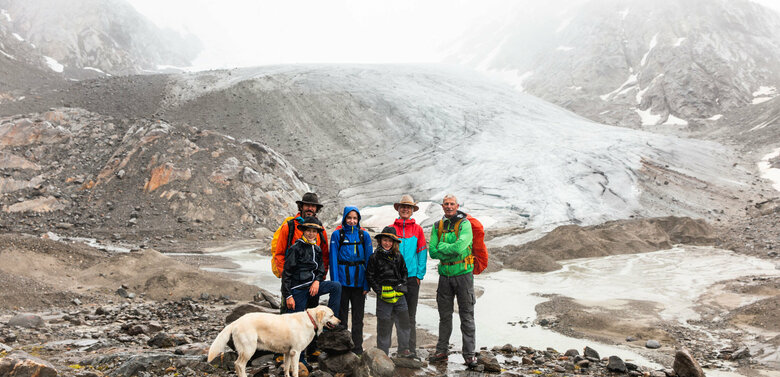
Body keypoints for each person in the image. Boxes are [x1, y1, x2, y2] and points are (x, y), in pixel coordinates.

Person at [282, 217, 343, 367]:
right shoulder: (295, 248)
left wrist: (317, 280)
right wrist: (288, 295)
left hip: (312, 287)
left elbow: (320, 269)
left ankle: (329, 323)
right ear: (303, 231)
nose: (311, 233)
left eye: (314, 231)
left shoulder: (316, 248)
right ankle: (300, 359)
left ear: (317, 233)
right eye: (308, 230)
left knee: (336, 286)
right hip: (297, 289)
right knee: (300, 326)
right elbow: (287, 274)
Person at [428, 194, 477, 368]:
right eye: (446, 204)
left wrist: (443, 247)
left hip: (463, 275)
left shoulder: (465, 224)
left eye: (452, 204)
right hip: (445, 277)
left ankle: (469, 355)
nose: (449, 206)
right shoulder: (437, 226)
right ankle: (442, 351)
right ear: (442, 206)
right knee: (444, 316)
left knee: (467, 316)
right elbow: (432, 252)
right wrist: (447, 249)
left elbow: (460, 248)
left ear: (457, 206)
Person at [329, 206, 373, 355]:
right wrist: (335, 284)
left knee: (358, 318)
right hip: (342, 283)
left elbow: (369, 261)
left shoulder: (364, 236)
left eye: (355, 218)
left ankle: (357, 349)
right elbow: (333, 260)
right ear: (344, 219)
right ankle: (342, 347)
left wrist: (367, 284)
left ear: (358, 219)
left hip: (360, 284)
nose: (352, 221)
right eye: (349, 218)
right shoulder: (337, 235)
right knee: (341, 317)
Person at [366, 227, 413, 357]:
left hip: (399, 296)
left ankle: (404, 349)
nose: (387, 243)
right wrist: (379, 290)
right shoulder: (374, 257)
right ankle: (383, 353)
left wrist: (401, 285)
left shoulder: (398, 256)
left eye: (390, 241)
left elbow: (404, 272)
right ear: (380, 241)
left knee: (404, 322)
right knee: (384, 324)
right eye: (385, 240)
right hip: (383, 297)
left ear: (394, 243)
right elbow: (370, 276)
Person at [389, 194, 427, 357]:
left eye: (408, 207)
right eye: (403, 207)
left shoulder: (418, 229)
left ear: (412, 210)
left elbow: (422, 252)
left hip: (412, 278)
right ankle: (399, 348)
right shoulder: (391, 228)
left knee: (410, 314)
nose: (405, 209)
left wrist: (419, 275)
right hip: (395, 278)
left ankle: (410, 349)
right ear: (399, 209)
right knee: (396, 314)